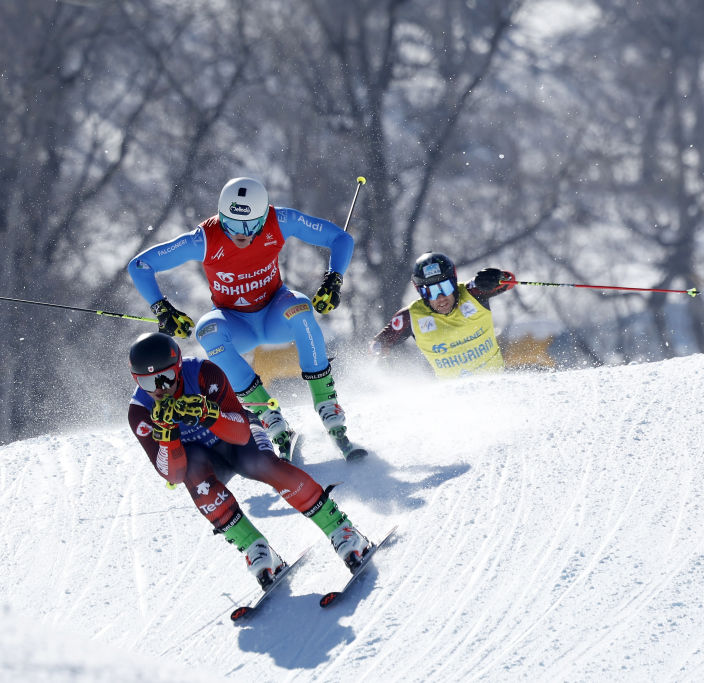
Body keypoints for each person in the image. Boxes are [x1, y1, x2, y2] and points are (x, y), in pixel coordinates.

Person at [128, 177, 361, 460]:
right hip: (236, 324)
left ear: (264, 216)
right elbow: (140, 265)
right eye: (232, 225)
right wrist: (162, 308)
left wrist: (333, 279)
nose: (241, 234)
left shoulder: (280, 220)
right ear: (220, 217)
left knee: (300, 307)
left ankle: (328, 405)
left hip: (275, 313)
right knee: (207, 331)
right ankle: (269, 417)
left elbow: (340, 238)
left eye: (251, 225)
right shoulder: (204, 238)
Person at [126, 332, 371, 587]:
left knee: (260, 463)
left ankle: (341, 529)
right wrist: (167, 436)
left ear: (178, 368)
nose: (160, 389)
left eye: (166, 377)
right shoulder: (139, 412)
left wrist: (207, 413)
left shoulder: (202, 373)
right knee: (194, 477)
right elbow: (172, 475)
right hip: (204, 460)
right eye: (148, 382)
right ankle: (256, 549)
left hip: (237, 441)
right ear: (136, 381)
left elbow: (241, 433)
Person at [371, 252, 516, 378]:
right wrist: (380, 350)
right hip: (455, 397)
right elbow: (378, 342)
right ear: (421, 293)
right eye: (431, 292)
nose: (440, 297)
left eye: (445, 287)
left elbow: (510, 281)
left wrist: (497, 276)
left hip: (496, 387)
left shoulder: (473, 293)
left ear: (454, 283)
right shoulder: (411, 316)